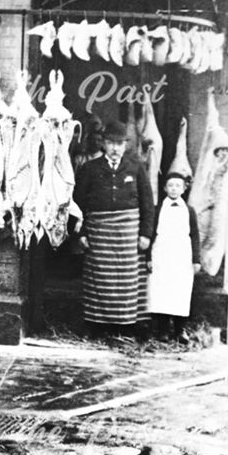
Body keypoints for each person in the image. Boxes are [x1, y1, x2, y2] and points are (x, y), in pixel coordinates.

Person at [73, 119, 155, 337]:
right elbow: (77, 204)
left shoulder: (136, 168)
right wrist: (81, 233)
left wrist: (146, 234)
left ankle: (125, 327)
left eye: (120, 144)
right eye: (111, 143)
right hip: (99, 233)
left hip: (128, 234)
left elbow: (148, 203)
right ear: (104, 144)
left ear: (126, 145)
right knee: (99, 278)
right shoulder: (89, 169)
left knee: (127, 280)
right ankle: (98, 327)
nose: (115, 148)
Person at [147, 172, 201, 343]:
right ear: (165, 188)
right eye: (170, 185)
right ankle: (163, 329)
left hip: (182, 257)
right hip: (162, 255)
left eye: (178, 185)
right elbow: (150, 233)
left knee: (180, 292)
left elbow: (195, 235)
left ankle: (180, 330)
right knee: (161, 292)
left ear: (184, 189)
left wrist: (196, 259)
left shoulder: (189, 211)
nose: (174, 189)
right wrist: (148, 257)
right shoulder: (158, 210)